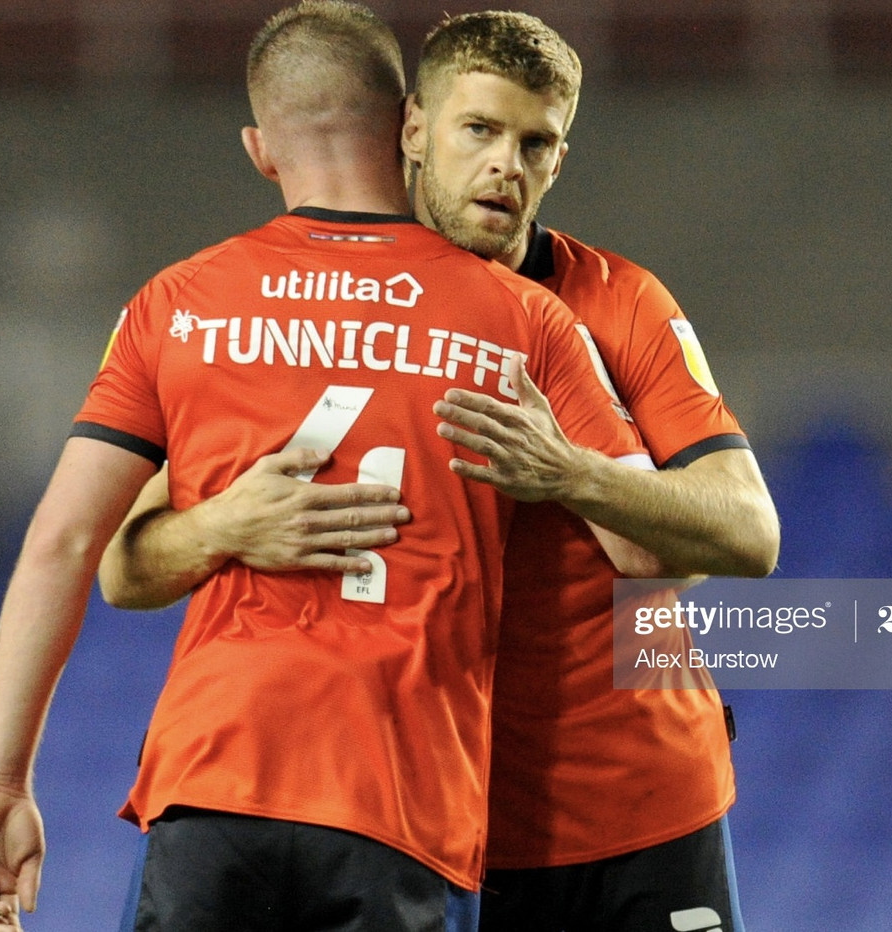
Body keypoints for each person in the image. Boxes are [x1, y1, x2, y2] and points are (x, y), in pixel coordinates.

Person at [0, 4, 653, 931]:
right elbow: (644, 552)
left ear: (259, 147)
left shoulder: (179, 303)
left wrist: (2, 781)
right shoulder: (521, 318)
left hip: (216, 782)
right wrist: (561, 468)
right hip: (404, 802)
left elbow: (65, 545)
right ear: (407, 124)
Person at [101, 9, 781, 932]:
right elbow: (129, 564)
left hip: (637, 797)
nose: (508, 163)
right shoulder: (298, 308)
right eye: (481, 130)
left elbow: (745, 534)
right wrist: (223, 526)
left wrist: (571, 473)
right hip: (428, 812)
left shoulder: (616, 304)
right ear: (413, 129)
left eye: (536, 142)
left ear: (559, 161)